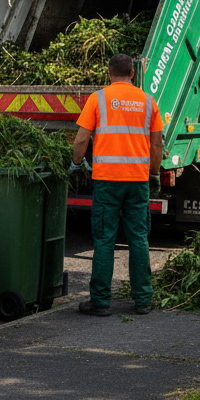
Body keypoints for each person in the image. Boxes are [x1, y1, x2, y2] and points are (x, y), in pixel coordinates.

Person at [72, 53, 164, 316]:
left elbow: (81, 139)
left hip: (107, 181)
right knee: (138, 238)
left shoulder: (98, 99)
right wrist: (154, 171)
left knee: (104, 239)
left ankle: (100, 302)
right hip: (137, 181)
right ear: (133, 73)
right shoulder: (148, 101)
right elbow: (156, 143)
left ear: (109, 73)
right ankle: (143, 300)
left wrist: (77, 163)